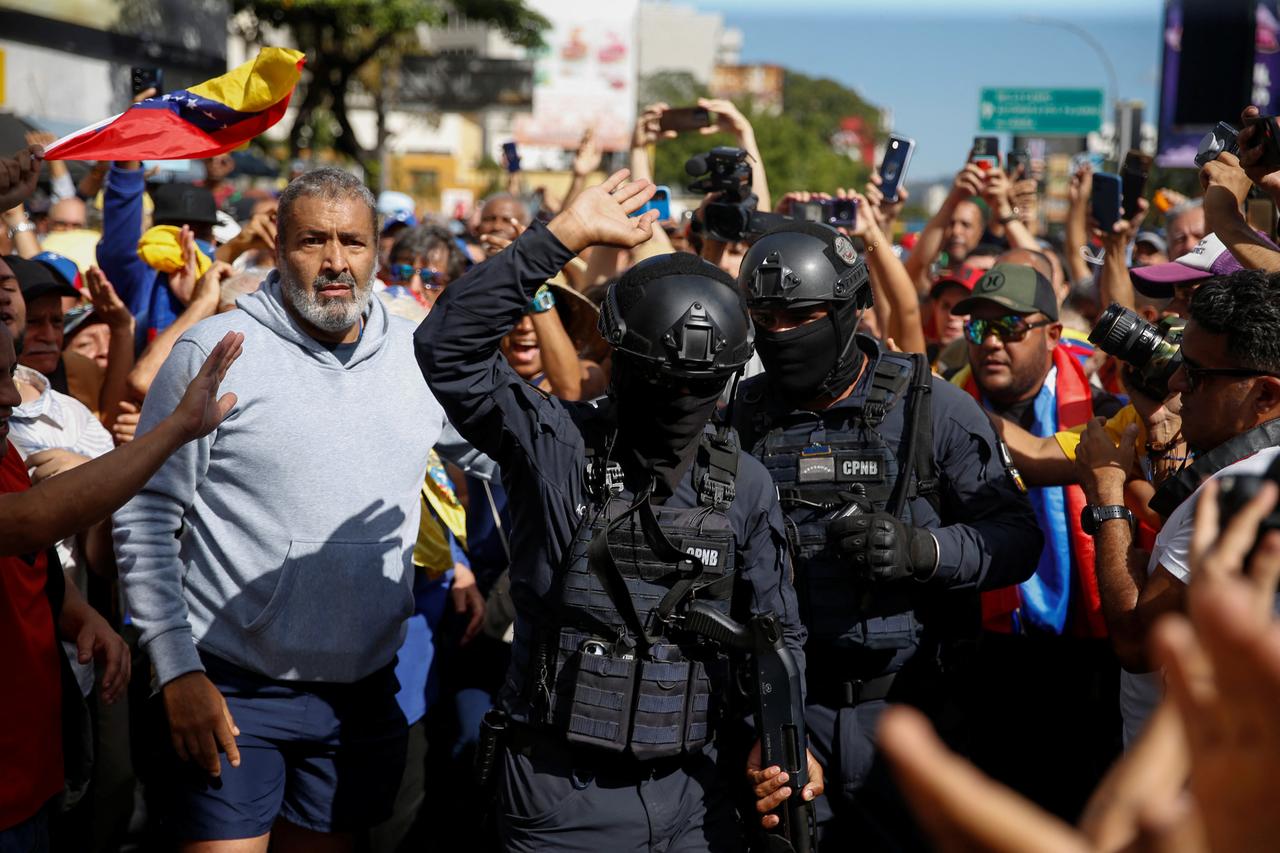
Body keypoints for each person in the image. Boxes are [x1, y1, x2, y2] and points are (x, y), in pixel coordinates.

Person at [416, 169, 823, 852]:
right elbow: (445, 345)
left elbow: (777, 640)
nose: (678, 395)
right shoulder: (554, 442)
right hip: (556, 794)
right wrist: (559, 237)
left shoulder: (743, 485)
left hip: (696, 793)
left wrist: (783, 741)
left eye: (694, 382)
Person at [114, 167, 450, 852]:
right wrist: (177, 670)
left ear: (377, 252)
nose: (335, 263)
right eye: (312, 241)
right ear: (278, 245)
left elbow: (510, 449)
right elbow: (145, 516)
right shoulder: (213, 351)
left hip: (358, 698)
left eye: (352, 243)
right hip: (230, 689)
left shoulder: (422, 354)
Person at [732, 222, 1043, 848]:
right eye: (766, 319)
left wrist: (922, 551)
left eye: (803, 316)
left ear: (848, 310)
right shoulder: (738, 416)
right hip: (788, 714)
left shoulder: (933, 407)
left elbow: (1017, 539)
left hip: (914, 705)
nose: (783, 335)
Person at [0, 318, 242, 851]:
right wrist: (175, 429)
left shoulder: (5, 454)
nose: (10, 400)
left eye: (9, 377)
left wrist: (83, 616)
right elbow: (27, 522)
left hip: (30, 773)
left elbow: (31, 566)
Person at [947, 260, 1124, 818]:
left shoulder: (1101, 412)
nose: (991, 343)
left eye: (1009, 328)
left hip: (1084, 654)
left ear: (1052, 334)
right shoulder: (945, 412)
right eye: (978, 328)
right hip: (983, 653)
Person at [1075, 268, 1280, 743]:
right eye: (1181, 362)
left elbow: (1137, 642)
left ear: (1266, 393)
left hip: (1188, 789)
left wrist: (1106, 489)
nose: (1178, 382)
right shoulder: (1252, 471)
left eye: (1198, 374)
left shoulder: (1239, 492)